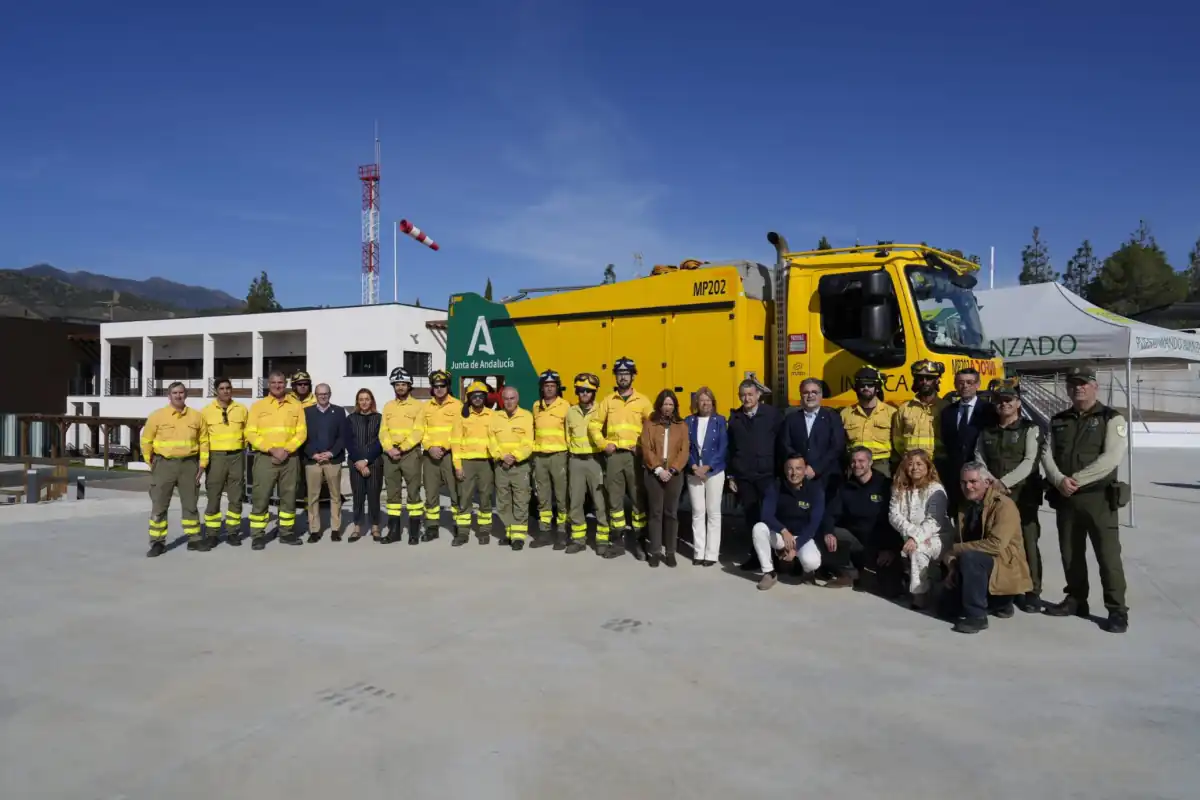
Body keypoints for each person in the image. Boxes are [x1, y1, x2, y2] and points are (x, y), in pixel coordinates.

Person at [1041, 365, 1130, 633]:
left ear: (1095, 386)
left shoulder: (1111, 418)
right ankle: (1076, 600)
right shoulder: (1057, 420)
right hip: (1066, 499)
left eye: (1083, 383)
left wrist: (1074, 481)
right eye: (1073, 384)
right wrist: (1058, 480)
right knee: (1071, 554)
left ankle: (1117, 610)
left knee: (1108, 557)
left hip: (1098, 499)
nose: (1078, 387)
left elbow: (1111, 458)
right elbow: (1047, 453)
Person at [975, 377, 1045, 612]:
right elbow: (979, 457)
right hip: (995, 495)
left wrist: (1004, 483)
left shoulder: (1030, 428)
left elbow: (1029, 461)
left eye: (1009, 400)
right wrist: (991, 482)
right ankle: (1006, 588)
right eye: (999, 401)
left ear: (1018, 403)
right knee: (998, 542)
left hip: (1023, 495)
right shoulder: (987, 430)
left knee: (1027, 541)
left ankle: (1032, 591)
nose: (1003, 404)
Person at [941, 462, 1032, 634]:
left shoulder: (1004, 505)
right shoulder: (965, 506)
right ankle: (996, 604)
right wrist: (952, 565)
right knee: (945, 609)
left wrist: (957, 549)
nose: (968, 486)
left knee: (970, 558)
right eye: (963, 482)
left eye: (973, 482)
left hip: (1001, 565)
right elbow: (956, 541)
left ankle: (977, 616)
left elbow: (996, 545)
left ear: (987, 483)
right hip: (974, 567)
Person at [589, 357, 654, 559]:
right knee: (615, 503)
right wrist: (603, 444)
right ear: (616, 377)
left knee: (638, 502)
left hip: (635, 457)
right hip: (615, 457)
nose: (623, 377)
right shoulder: (608, 401)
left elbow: (652, 428)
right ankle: (617, 543)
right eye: (619, 374)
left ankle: (640, 543)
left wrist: (643, 447)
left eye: (626, 373)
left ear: (633, 376)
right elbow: (593, 425)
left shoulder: (643, 401)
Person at [141, 382, 209, 557]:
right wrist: (151, 463)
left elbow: (204, 441)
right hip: (164, 465)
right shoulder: (157, 416)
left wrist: (202, 464)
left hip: (189, 465)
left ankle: (193, 538)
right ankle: (157, 542)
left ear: (185, 395)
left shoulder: (196, 417)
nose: (178, 396)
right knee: (159, 505)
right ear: (169, 395)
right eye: (174, 393)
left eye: (181, 392)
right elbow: (146, 440)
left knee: (190, 504)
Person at [819, 446, 897, 590]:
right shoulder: (845, 487)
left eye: (861, 461)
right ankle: (849, 573)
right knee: (829, 533)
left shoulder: (885, 485)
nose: (857, 465)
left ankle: (885, 573)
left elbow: (894, 520)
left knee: (891, 590)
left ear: (870, 463)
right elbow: (830, 514)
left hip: (881, 544)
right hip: (855, 541)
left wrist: (890, 548)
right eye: (853, 462)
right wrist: (828, 532)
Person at [246, 370, 308, 549]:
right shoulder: (258, 406)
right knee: (261, 496)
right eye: (273, 383)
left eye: (280, 382)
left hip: (290, 458)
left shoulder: (295, 405)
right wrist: (271, 449)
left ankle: (286, 533)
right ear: (268, 384)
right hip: (265, 458)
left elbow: (301, 432)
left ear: (286, 384)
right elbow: (250, 432)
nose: (277, 386)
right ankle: (258, 535)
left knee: (288, 497)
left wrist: (287, 450)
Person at [728, 378, 784, 571]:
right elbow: (731, 448)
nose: (747, 398)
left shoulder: (772, 415)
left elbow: (781, 443)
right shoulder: (735, 418)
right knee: (751, 517)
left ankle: (776, 558)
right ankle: (756, 556)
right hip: (745, 476)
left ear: (758, 395)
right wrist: (731, 476)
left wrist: (781, 471)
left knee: (769, 516)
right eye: (743, 395)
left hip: (768, 475)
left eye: (750, 394)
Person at [750, 454, 825, 591]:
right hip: (781, 535)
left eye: (798, 468)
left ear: (805, 470)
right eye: (790, 469)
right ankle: (769, 572)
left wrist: (795, 548)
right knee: (759, 528)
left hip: (803, 536)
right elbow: (766, 515)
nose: (794, 473)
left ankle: (807, 572)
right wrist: (783, 530)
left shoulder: (815, 490)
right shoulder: (776, 486)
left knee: (812, 562)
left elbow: (813, 525)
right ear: (785, 470)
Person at [888, 449, 951, 608]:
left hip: (937, 536)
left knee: (918, 550)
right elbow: (894, 515)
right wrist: (912, 535)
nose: (914, 468)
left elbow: (933, 521)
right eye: (910, 464)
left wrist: (916, 539)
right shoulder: (899, 488)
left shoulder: (935, 490)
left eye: (919, 464)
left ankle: (919, 594)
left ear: (928, 467)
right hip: (909, 536)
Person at [640, 389, 689, 568]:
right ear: (659, 405)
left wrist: (674, 468)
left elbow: (684, 450)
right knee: (655, 513)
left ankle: (670, 552)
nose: (667, 407)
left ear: (675, 406)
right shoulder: (649, 424)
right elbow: (646, 448)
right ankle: (654, 551)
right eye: (664, 404)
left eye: (670, 404)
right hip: (654, 473)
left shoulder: (681, 425)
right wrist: (659, 469)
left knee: (671, 513)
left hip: (675, 475)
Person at [939, 367, 998, 511]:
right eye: (961, 382)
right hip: (955, 476)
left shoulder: (989, 410)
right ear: (955, 385)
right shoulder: (947, 412)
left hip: (981, 475)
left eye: (969, 382)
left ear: (978, 384)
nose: (965, 386)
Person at [200, 377, 248, 547]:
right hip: (216, 457)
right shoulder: (206, 411)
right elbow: (203, 438)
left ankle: (233, 532)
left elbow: (247, 433)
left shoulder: (241, 409)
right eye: (222, 388)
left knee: (236, 496)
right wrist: (204, 460)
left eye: (228, 388)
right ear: (216, 391)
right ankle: (212, 534)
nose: (226, 391)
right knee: (214, 496)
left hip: (236, 456)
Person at [565, 373, 609, 555]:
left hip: (594, 460)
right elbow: (568, 437)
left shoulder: (600, 410)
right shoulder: (571, 412)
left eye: (588, 391)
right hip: (576, 461)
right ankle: (578, 539)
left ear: (594, 393)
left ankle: (602, 540)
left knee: (600, 501)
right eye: (581, 390)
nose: (584, 393)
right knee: (575, 502)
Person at [380, 367, 425, 545]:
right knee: (393, 496)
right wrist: (389, 448)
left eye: (403, 384)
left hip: (410, 454)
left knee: (413, 494)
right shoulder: (388, 406)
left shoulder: (417, 406)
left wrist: (403, 448)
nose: (400, 387)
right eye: (397, 384)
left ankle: (414, 533)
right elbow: (383, 430)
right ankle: (394, 532)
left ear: (409, 385)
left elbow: (418, 431)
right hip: (390, 454)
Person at [685, 386, 727, 567]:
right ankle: (699, 551)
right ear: (696, 403)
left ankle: (711, 553)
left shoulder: (720, 421)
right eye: (702, 400)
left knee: (713, 512)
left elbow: (723, 447)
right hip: (694, 471)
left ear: (713, 402)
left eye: (708, 400)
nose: (705, 403)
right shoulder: (689, 421)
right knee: (697, 512)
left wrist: (708, 467)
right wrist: (694, 466)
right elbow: (685, 447)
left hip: (714, 471)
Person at [778, 377, 846, 487]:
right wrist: (800, 467)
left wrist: (816, 468)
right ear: (801, 395)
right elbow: (785, 444)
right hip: (799, 479)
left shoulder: (833, 418)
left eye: (814, 392)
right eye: (806, 392)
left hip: (827, 478)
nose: (810, 396)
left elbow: (837, 446)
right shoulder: (791, 419)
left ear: (821, 395)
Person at [418, 370, 462, 541]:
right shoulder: (426, 407)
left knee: (455, 492)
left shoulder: (458, 406)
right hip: (430, 456)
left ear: (448, 386)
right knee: (431, 493)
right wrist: (430, 447)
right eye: (435, 386)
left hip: (450, 454)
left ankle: (459, 525)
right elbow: (422, 431)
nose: (439, 389)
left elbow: (459, 431)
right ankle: (431, 527)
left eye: (442, 386)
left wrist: (444, 447)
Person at [490, 385, 535, 550]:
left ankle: (518, 536)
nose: (508, 402)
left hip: (520, 466)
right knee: (502, 501)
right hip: (501, 465)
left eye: (512, 398)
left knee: (521, 500)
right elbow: (491, 440)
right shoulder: (496, 417)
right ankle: (509, 531)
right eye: (506, 398)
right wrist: (502, 456)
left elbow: (528, 442)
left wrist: (514, 456)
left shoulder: (526, 416)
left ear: (518, 399)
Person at [453, 381, 496, 546]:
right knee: (464, 498)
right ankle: (463, 532)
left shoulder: (493, 416)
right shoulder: (461, 416)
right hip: (467, 462)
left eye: (480, 396)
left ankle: (484, 530)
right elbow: (455, 442)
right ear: (469, 398)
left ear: (485, 397)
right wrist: (458, 466)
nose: (477, 399)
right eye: (473, 396)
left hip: (486, 462)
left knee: (486, 498)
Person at [531, 369, 570, 549]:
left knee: (562, 497)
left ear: (557, 388)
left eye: (552, 386)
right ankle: (544, 532)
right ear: (541, 388)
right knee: (543, 497)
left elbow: (569, 432)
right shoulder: (536, 406)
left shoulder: (565, 406)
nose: (549, 389)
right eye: (546, 386)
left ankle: (562, 532)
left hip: (558, 456)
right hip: (540, 457)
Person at [302, 383, 346, 542]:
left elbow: (343, 436)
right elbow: (303, 436)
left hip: (333, 460)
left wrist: (331, 452)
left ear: (330, 394)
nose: (323, 396)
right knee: (313, 496)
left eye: (326, 393)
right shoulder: (306, 412)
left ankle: (335, 529)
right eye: (320, 394)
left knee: (335, 496)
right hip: (313, 461)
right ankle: (314, 530)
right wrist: (313, 453)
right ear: (315, 395)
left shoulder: (339, 412)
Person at [891, 360, 947, 473]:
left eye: (929, 378)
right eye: (920, 378)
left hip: (937, 465)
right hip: (911, 466)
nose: (924, 382)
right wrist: (908, 458)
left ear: (937, 380)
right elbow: (897, 439)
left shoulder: (946, 408)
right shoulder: (904, 408)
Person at [840, 366, 897, 477]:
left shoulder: (892, 413)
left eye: (870, 384)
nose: (866, 388)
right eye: (862, 385)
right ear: (856, 388)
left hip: (881, 463)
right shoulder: (845, 414)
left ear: (877, 387)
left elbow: (897, 443)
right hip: (856, 464)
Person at [344, 388, 384, 542]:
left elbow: (380, 442)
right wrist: (359, 462)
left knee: (374, 495)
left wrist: (367, 460)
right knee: (358, 496)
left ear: (372, 401)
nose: (364, 402)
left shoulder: (379, 418)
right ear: (357, 402)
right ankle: (357, 527)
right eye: (361, 399)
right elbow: (348, 442)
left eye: (367, 399)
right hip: (355, 463)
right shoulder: (351, 419)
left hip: (374, 462)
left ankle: (375, 527)